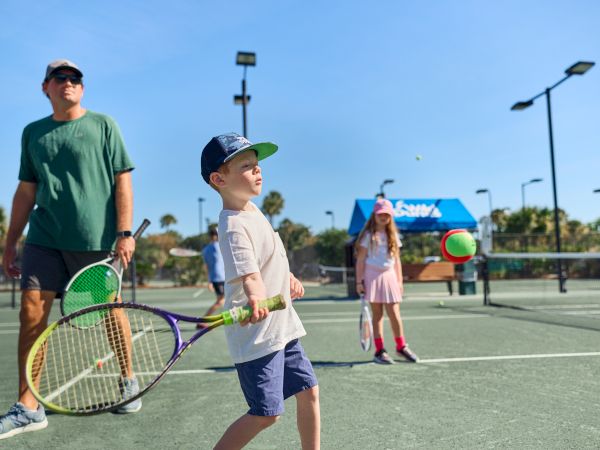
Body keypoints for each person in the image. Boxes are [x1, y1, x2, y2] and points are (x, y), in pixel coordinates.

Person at [0, 59, 140, 440]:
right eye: (60, 78)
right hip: (44, 239)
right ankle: (28, 406)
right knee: (31, 310)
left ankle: (128, 380)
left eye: (75, 78)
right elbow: (26, 191)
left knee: (109, 310)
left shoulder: (104, 126)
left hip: (96, 241)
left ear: (82, 87)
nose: (68, 82)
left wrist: (124, 232)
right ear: (45, 87)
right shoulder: (32, 133)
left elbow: (122, 181)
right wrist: (11, 240)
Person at [201, 132, 320, 450]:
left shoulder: (254, 211)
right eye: (246, 166)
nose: (258, 170)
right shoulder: (232, 225)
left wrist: (288, 276)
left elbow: (269, 255)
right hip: (258, 338)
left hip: (283, 328)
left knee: (309, 390)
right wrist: (255, 298)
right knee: (267, 414)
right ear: (219, 179)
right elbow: (248, 272)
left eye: (257, 164)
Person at [354, 198, 419, 365]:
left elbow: (396, 261)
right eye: (380, 214)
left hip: (390, 277)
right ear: (374, 216)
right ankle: (380, 350)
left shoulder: (393, 236)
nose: (383, 217)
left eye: (387, 214)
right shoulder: (368, 236)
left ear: (390, 217)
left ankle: (401, 346)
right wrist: (359, 282)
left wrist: (399, 281)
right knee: (377, 315)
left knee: (395, 313)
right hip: (372, 276)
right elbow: (360, 260)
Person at [197, 227, 225, 328]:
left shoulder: (205, 250)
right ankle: (203, 320)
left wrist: (209, 281)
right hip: (221, 278)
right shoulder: (220, 246)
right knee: (221, 301)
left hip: (216, 278)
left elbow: (207, 267)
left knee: (225, 300)